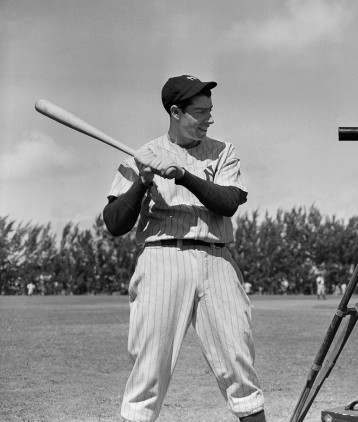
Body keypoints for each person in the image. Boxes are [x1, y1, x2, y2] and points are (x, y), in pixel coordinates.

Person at [103, 75, 266, 422]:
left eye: (210, 111)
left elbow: (228, 202)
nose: (209, 118)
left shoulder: (223, 151)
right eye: (200, 112)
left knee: (239, 363)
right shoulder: (143, 155)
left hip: (216, 258)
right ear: (175, 112)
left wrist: (182, 175)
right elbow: (115, 223)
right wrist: (144, 182)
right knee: (150, 370)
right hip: (162, 259)